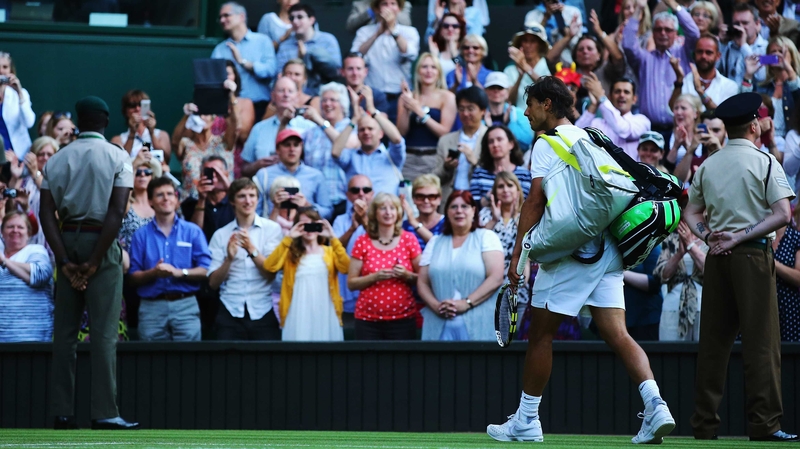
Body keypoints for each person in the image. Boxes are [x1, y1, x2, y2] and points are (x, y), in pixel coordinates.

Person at [487, 77, 675, 444]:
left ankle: (526, 420)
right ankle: (656, 406)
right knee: (617, 333)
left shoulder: (546, 143)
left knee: (541, 334)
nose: (525, 113)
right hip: (609, 250)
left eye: (530, 105)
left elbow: (535, 201)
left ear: (546, 104)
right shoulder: (591, 136)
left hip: (573, 256)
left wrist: (518, 255)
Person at [683, 92, 798, 442]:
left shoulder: (709, 164)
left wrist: (710, 236)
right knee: (762, 343)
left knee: (713, 345)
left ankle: (704, 424)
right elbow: (783, 214)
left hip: (718, 258)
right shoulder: (765, 162)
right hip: (751, 256)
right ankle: (765, 425)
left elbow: (691, 213)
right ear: (754, 126)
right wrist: (739, 235)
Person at [39, 96, 138, 430]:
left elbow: (45, 215)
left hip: (67, 238)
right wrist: (95, 262)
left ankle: (62, 412)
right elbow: (117, 211)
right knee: (104, 332)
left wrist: (65, 261)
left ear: (80, 121)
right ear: (106, 121)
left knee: (64, 335)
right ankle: (104, 412)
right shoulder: (118, 156)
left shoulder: (56, 159)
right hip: (102, 241)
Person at [128, 177, 210, 342]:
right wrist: (153, 273)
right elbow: (132, 277)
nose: (166, 198)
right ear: (150, 201)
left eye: (170, 194)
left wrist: (178, 272)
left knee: (189, 361)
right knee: (151, 362)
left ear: (177, 200)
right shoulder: (140, 235)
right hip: (151, 307)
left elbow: (206, 270)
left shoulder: (192, 232)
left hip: (185, 304)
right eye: (159, 195)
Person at [417, 189, 503, 341]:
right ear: (447, 212)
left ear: (473, 210)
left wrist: (467, 303)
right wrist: (435, 306)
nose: (459, 211)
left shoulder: (486, 237)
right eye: (453, 207)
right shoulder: (434, 242)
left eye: (464, 206)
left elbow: (496, 277)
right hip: (438, 325)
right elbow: (422, 282)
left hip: (479, 325)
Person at [208, 177, 283, 340]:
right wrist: (229, 259)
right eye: (242, 196)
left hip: (262, 308)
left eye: (252, 195)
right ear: (232, 201)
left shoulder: (272, 229)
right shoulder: (220, 235)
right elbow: (213, 283)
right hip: (229, 308)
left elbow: (271, 274)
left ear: (257, 199)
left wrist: (251, 249)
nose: (248, 201)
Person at [264, 208, 348, 341]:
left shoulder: (330, 252)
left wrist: (333, 237)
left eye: (313, 224)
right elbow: (270, 266)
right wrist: (289, 237)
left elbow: (346, 268)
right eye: (304, 225)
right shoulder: (290, 253)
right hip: (297, 312)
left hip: (326, 310)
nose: (309, 229)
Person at [347, 192, 421, 340]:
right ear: (375, 213)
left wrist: (407, 275)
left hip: (403, 319)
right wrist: (375, 277)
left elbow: (423, 279)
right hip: (367, 320)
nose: (388, 212)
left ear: (398, 212)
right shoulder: (363, 241)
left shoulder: (408, 239)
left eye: (392, 208)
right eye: (383, 208)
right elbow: (351, 283)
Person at [623, 0, 699, 139]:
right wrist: (639, 9)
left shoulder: (684, 53)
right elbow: (628, 45)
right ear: (653, 33)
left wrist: (673, 5)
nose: (663, 33)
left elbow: (694, 34)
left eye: (668, 30)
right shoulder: (644, 59)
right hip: (650, 130)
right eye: (658, 29)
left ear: (676, 33)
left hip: (681, 129)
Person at [351, 0, 420, 124]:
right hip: (373, 96)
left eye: (393, 4)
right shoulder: (364, 32)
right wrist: (377, 33)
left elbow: (410, 53)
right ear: (377, 9)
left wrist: (393, 31)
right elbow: (356, 56)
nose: (389, 8)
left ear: (399, 9)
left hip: (399, 97)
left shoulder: (409, 32)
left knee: (397, 137)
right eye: (385, 4)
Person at [332, 87, 406, 196]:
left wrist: (372, 110)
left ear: (381, 134)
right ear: (357, 135)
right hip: (357, 211)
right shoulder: (351, 157)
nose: (366, 132)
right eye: (362, 129)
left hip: (387, 211)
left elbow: (397, 139)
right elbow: (335, 152)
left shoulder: (391, 156)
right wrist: (354, 120)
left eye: (370, 129)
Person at [302, 81, 360, 218]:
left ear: (343, 104)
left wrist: (320, 121)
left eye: (333, 100)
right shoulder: (311, 132)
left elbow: (345, 144)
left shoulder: (352, 128)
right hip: (316, 201)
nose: (328, 104)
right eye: (324, 100)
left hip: (342, 199)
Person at [211, 2, 278, 120]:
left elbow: (271, 71)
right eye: (220, 17)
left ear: (241, 16)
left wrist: (243, 62)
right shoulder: (220, 50)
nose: (222, 20)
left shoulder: (262, 41)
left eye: (226, 15)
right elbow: (212, 81)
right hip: (229, 107)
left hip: (259, 106)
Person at [397, 53, 456, 182]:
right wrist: (407, 106)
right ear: (418, 71)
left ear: (439, 72)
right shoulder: (407, 97)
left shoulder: (447, 97)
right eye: (424, 67)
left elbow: (444, 132)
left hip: (434, 158)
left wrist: (420, 112)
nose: (429, 71)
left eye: (433, 67)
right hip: (410, 159)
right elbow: (401, 132)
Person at [240, 77, 315, 178]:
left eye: (290, 91)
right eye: (281, 90)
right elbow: (244, 169)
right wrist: (257, 165)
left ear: (297, 96)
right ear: (273, 96)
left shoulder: (309, 127)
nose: (286, 94)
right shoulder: (259, 129)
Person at [478, 172, 530, 317]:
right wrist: (494, 220)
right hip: (488, 289)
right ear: (494, 193)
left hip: (518, 290)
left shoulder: (526, 216)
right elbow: (475, 243)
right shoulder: (485, 214)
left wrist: (519, 222)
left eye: (510, 185)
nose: (505, 190)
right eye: (501, 186)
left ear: (518, 190)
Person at [0, 211, 53, 342]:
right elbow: (32, 276)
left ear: (28, 233)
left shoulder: (36, 250)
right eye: (10, 227)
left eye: (20, 227)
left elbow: (40, 275)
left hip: (32, 334)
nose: (15, 230)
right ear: (2, 232)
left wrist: (5, 262)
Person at [254, 129, 331, 219]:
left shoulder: (316, 175)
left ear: (301, 148)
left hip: (305, 230)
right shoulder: (264, 175)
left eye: (296, 145)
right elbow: (255, 211)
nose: (292, 149)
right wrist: (275, 206)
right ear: (277, 149)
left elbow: (328, 212)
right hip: (273, 229)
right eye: (287, 145)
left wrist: (307, 205)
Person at [654, 217, 707, 342]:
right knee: (671, 356)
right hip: (673, 307)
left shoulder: (710, 237)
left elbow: (712, 271)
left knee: (704, 355)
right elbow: (660, 275)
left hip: (705, 307)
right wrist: (679, 255)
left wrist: (690, 245)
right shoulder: (671, 237)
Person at [332, 174, 374, 328]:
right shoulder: (340, 220)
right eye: (355, 190)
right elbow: (335, 250)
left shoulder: (383, 218)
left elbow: (382, 244)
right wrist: (352, 228)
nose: (361, 193)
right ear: (348, 195)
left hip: (373, 293)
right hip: (346, 293)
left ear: (372, 193)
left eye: (366, 189)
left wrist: (365, 221)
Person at [576, 76, 651, 160]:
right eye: (617, 91)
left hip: (631, 173)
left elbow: (622, 129)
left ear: (634, 99)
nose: (622, 95)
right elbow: (576, 134)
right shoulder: (597, 123)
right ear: (610, 97)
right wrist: (594, 105)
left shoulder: (642, 121)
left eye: (626, 92)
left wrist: (601, 97)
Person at [275, 4, 341, 96]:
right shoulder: (285, 46)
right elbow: (279, 76)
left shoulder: (327, 40)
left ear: (311, 20)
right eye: (292, 18)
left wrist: (309, 56)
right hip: (293, 97)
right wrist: (299, 61)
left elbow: (336, 73)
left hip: (323, 98)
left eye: (300, 17)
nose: (295, 21)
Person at [742, 36, 800, 142]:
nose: (777, 55)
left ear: (792, 55)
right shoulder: (762, 87)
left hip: (792, 141)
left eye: (781, 51)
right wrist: (748, 75)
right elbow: (743, 106)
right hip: (764, 140)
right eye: (773, 52)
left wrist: (790, 71)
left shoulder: (797, 84)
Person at [434, 86, 487, 202]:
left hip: (479, 198)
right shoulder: (446, 140)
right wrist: (446, 167)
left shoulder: (491, 138)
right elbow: (434, 178)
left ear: (483, 111)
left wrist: (475, 163)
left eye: (470, 108)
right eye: (461, 109)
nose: (465, 113)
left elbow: (496, 174)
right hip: (450, 198)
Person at [177, 110, 236, 201]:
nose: (201, 117)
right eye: (198, 115)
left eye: (205, 114)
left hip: (222, 202)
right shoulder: (186, 143)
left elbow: (236, 127)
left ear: (213, 119)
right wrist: (187, 114)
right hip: (191, 202)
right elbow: (174, 141)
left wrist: (232, 101)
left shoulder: (224, 141)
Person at [669, 36, 738, 112]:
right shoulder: (683, 83)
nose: (703, 56)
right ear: (694, 54)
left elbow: (724, 116)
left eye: (708, 52)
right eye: (699, 52)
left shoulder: (729, 86)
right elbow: (671, 111)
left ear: (718, 56)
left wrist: (700, 91)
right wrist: (679, 80)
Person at [12, 136, 59, 248]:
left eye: (49, 154)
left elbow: (53, 201)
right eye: (40, 154)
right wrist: (15, 177)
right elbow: (11, 208)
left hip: (48, 239)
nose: (45, 158)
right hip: (22, 238)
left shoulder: (59, 179)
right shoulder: (23, 179)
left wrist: (35, 173)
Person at [470, 125, 532, 205]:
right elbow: (474, 206)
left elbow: (525, 204)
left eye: (499, 139)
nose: (495, 144)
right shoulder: (479, 173)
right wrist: (496, 185)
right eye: (491, 141)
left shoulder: (524, 174)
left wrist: (506, 179)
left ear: (511, 144)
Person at [182, 155, 235, 243]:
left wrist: (228, 188)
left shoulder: (234, 202)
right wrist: (202, 199)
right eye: (209, 172)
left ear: (226, 175)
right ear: (201, 175)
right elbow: (194, 234)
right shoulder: (191, 203)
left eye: (217, 172)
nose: (213, 176)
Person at [110, 90, 172, 161]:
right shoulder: (118, 139)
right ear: (125, 111)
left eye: (141, 105)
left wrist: (151, 133)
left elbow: (166, 160)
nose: (137, 108)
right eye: (132, 105)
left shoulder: (161, 135)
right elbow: (120, 162)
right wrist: (132, 133)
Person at [505, 24, 552, 111]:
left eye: (533, 41)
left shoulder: (549, 65)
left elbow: (551, 89)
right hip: (519, 119)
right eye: (525, 41)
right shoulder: (509, 70)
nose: (528, 45)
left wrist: (526, 68)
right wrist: (520, 76)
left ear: (540, 45)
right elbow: (509, 101)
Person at [719, 4, 768, 85]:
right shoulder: (728, 46)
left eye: (745, 23)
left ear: (757, 24)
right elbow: (714, 70)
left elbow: (762, 77)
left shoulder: (767, 47)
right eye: (737, 23)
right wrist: (722, 44)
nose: (741, 27)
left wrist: (743, 46)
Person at [483, 72, 533, 151]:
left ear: (507, 92)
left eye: (500, 88)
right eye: (492, 87)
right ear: (485, 91)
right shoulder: (480, 115)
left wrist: (509, 124)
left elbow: (526, 143)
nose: (496, 91)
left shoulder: (518, 113)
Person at [118, 156, 157, 251]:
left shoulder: (158, 206)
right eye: (138, 173)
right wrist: (133, 166)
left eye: (147, 172)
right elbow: (123, 200)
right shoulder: (128, 205)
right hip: (129, 260)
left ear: (152, 177)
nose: (143, 175)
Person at [0, 51, 35, 158]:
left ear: (11, 70)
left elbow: (29, 122)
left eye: (5, 67)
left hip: (19, 155)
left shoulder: (20, 94)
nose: (1, 71)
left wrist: (19, 93)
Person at [774, 206, 800, 342]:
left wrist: (773, 265)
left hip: (789, 309)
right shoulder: (755, 237)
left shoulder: (796, 239)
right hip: (760, 306)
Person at [400, 174, 445, 250]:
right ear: (413, 199)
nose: (426, 201)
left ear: (439, 199)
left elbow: (440, 247)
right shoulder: (406, 226)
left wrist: (414, 223)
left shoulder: (448, 223)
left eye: (431, 197)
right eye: (420, 196)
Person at [346, 0, 412, 33]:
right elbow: (350, 27)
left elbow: (407, 24)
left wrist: (393, 11)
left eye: (393, 3)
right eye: (384, 3)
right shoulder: (359, 4)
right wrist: (372, 11)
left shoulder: (402, 3)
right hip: (367, 46)